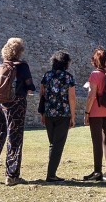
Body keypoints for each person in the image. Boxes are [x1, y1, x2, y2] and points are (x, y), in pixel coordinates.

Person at [0, 37, 36, 186]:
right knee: (14, 140)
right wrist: (30, 89)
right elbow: (30, 86)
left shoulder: (1, 66)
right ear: (19, 52)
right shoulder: (22, 66)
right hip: (16, 105)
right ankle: (12, 175)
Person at [39, 50, 76, 182]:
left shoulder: (46, 76)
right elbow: (72, 97)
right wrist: (73, 116)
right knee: (57, 145)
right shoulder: (68, 77)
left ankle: (51, 173)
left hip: (49, 113)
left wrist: (42, 113)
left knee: (52, 144)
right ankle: (51, 175)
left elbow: (42, 95)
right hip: (63, 114)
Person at [83, 47, 106, 182]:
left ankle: (97, 172)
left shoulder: (95, 75)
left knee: (97, 142)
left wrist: (86, 112)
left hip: (96, 111)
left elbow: (91, 96)